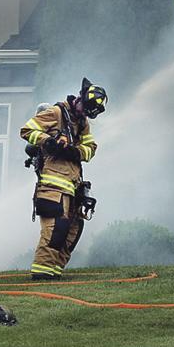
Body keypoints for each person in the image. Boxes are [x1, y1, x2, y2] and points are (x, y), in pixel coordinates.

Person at [19, 77, 106, 280]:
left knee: (74, 228)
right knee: (56, 228)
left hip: (73, 185)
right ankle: (42, 273)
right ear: (79, 98)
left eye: (88, 112)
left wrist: (76, 152)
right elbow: (27, 130)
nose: (85, 114)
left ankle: (54, 271)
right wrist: (50, 142)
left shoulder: (82, 123)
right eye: (85, 108)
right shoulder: (56, 113)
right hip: (53, 183)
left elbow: (90, 149)